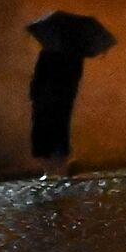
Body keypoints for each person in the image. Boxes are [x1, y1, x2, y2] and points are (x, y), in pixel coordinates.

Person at [28, 47, 85, 179]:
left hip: (47, 98)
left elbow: (39, 75)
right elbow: (75, 77)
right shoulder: (75, 54)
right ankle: (60, 166)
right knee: (59, 130)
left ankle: (50, 169)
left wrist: (35, 93)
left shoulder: (48, 51)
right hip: (61, 97)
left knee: (45, 131)